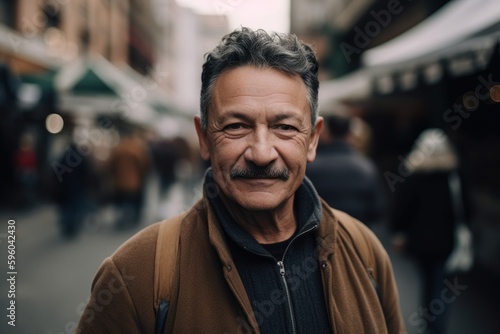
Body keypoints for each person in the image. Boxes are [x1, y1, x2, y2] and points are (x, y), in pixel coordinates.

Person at [76, 27, 405, 333]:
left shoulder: (365, 253)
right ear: (204, 138)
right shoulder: (135, 275)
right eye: (236, 126)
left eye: (285, 127)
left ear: (313, 140)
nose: (261, 154)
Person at [389, 128, 468, 334]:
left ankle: (428, 320)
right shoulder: (452, 177)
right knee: (439, 281)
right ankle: (436, 325)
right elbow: (466, 208)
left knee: (427, 278)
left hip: (420, 242)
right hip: (445, 240)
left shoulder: (414, 177)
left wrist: (398, 231)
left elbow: (401, 209)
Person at [307, 113, 386, 226]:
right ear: (350, 135)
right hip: (356, 231)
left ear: (327, 133)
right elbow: (377, 209)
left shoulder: (311, 166)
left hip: (319, 231)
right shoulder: (365, 167)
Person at [108, 126, 151, 229]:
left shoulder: (119, 148)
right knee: (133, 201)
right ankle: (132, 218)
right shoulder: (137, 149)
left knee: (122, 201)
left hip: (119, 181)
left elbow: (111, 164)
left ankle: (123, 218)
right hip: (134, 181)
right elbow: (144, 164)